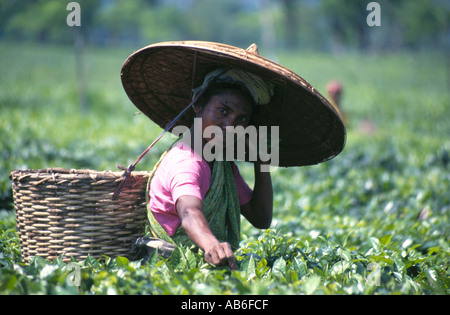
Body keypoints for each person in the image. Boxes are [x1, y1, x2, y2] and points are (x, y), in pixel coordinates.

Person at [120, 41, 346, 270]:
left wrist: (262, 163)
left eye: (241, 120)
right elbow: (189, 212)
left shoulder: (220, 164)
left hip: (205, 262)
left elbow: (260, 218)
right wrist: (212, 245)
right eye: (223, 111)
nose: (230, 126)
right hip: (172, 263)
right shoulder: (186, 161)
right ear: (198, 104)